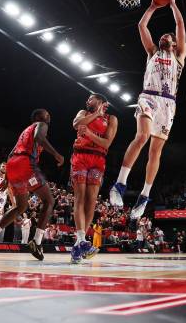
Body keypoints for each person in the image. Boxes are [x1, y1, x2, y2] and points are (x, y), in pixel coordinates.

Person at [110, 0, 186, 222]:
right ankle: (120, 184)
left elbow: (180, 23)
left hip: (168, 104)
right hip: (149, 98)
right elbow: (142, 25)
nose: (164, 36)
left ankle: (144, 195)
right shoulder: (152, 52)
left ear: (173, 43)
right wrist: (153, 6)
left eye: (168, 35)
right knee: (142, 136)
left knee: (155, 152)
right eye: (162, 35)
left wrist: (173, 4)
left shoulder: (180, 56)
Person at [0, 109, 64, 261]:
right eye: (46, 113)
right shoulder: (41, 125)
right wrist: (56, 154)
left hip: (13, 166)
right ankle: (37, 242)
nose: (48, 115)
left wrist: (7, 177)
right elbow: (39, 138)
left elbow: (11, 153)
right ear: (38, 117)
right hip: (25, 164)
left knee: (21, 207)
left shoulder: (25, 132)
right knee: (49, 201)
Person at [70, 93, 118, 263]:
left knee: (91, 200)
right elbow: (76, 124)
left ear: (101, 102)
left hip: (98, 159)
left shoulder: (112, 119)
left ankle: (78, 243)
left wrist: (89, 133)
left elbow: (106, 143)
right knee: (80, 198)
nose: (87, 101)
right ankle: (82, 240)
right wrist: (95, 115)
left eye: (90, 98)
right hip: (80, 157)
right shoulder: (83, 112)